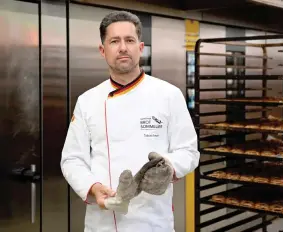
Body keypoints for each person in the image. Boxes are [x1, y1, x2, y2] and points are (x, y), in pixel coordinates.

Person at [60, 10, 200, 232]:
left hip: (153, 220)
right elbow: (72, 159)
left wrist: (169, 168)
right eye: (114, 41)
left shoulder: (169, 95)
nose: (123, 47)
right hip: (102, 222)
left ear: (140, 48)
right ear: (102, 50)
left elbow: (189, 151)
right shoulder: (87, 101)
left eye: (129, 40)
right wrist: (93, 188)